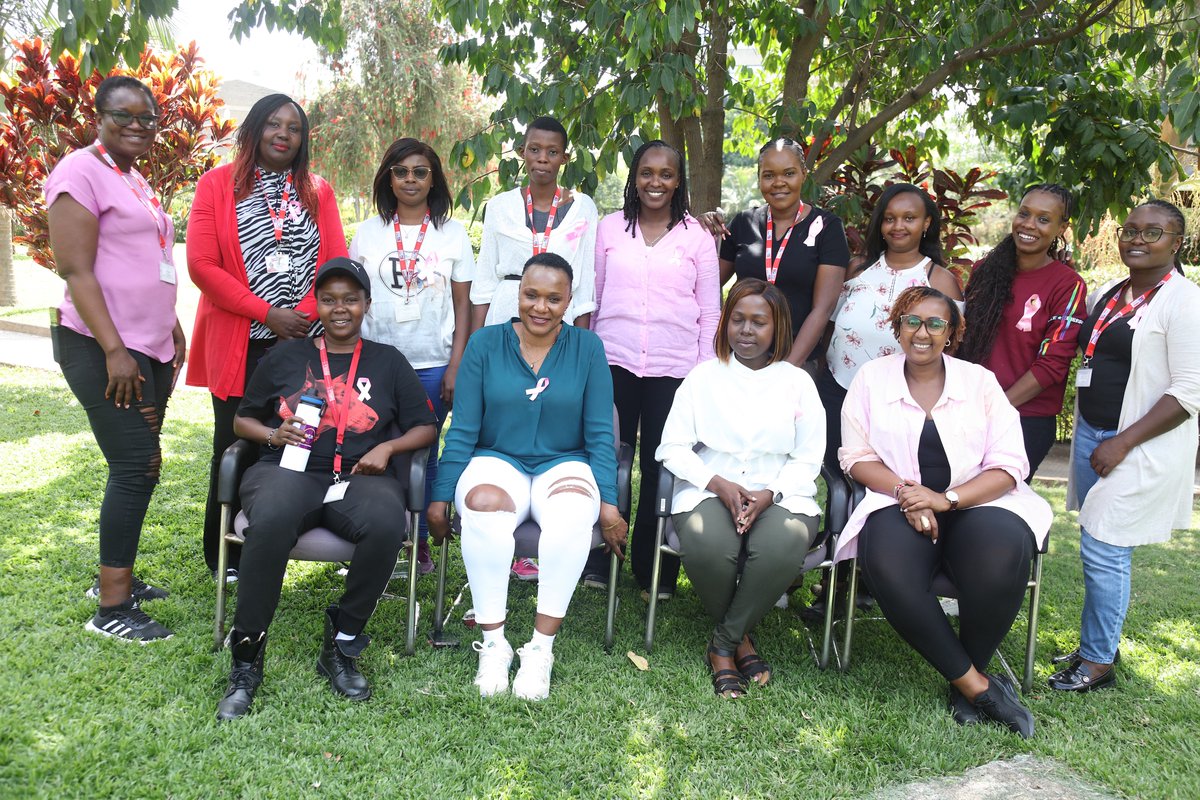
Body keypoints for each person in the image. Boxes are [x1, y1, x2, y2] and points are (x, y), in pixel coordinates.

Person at [215, 258, 437, 721]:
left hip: (360, 477)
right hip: (287, 470)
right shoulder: (285, 356)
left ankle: (342, 642)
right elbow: (243, 418)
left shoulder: (388, 361)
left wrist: (389, 448)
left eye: (351, 299)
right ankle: (246, 659)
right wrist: (273, 435)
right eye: (330, 299)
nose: (340, 309)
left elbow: (426, 427)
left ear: (366, 305)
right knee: (271, 520)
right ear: (316, 304)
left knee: (383, 524)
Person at [835, 286, 1052, 739]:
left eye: (936, 323)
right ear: (897, 326)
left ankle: (963, 683)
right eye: (912, 320)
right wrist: (908, 494)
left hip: (978, 500)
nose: (923, 332)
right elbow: (855, 456)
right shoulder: (872, 379)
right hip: (897, 501)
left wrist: (945, 500)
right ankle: (977, 686)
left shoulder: (980, 382)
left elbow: (1010, 464)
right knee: (889, 566)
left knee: (1002, 551)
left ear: (952, 333)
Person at [428, 253, 627, 701]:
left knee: (577, 511)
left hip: (564, 462)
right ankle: (494, 644)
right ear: (517, 294)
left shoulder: (587, 348)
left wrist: (609, 504)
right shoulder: (484, 344)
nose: (541, 307)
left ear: (569, 301)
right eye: (531, 295)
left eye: (554, 298)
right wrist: (440, 497)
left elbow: (599, 433)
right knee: (481, 504)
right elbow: (462, 430)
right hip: (497, 458)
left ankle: (540, 649)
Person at [47, 76, 186, 641]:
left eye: (147, 118)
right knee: (136, 464)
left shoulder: (132, 178)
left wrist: (169, 321)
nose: (137, 125)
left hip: (146, 345)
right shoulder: (79, 172)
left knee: (140, 463)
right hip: (102, 347)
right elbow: (76, 270)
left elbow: (144, 258)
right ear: (98, 114)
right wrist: (113, 350)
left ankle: (118, 577)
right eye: (124, 115)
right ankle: (112, 610)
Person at [187, 93, 348, 582]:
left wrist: (296, 320)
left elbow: (334, 262)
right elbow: (202, 265)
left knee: (299, 442)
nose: (284, 134)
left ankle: (278, 535)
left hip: (301, 343)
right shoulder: (217, 185)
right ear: (254, 129)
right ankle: (225, 556)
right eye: (274, 124)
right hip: (240, 339)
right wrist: (265, 314)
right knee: (234, 443)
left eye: (294, 128)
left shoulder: (316, 190)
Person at [1049, 200, 1200, 693]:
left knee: (1104, 545)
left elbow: (1188, 392)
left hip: (1137, 443)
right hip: (1095, 432)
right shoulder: (1112, 293)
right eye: (1129, 230)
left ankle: (1097, 662)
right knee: (1100, 541)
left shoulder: (1184, 302)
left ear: (1176, 242)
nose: (1136, 239)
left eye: (1152, 233)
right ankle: (1098, 645)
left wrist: (1122, 445)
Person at [657, 279, 823, 698]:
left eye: (759, 322)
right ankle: (742, 643)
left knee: (782, 545)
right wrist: (719, 485)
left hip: (782, 490)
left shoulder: (798, 383)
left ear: (777, 328)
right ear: (725, 323)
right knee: (707, 542)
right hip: (709, 486)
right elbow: (671, 447)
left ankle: (725, 644)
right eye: (738, 320)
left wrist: (771, 494)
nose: (746, 330)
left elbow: (808, 457)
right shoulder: (703, 378)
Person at [580, 140, 720, 598]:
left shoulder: (695, 237)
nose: (655, 182)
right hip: (612, 363)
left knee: (662, 465)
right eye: (646, 172)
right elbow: (592, 297)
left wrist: (701, 375)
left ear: (678, 181)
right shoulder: (609, 230)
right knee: (607, 458)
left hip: (674, 369)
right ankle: (600, 559)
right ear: (634, 178)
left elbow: (710, 311)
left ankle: (652, 567)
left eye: (665, 174)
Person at [470, 115, 600, 582]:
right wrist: (471, 348)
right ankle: (496, 533)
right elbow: (484, 281)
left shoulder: (584, 208)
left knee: (545, 411)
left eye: (552, 151)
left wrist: (580, 345)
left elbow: (582, 284)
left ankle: (537, 541)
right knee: (500, 414)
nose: (542, 159)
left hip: (556, 319)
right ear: (521, 154)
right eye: (534, 150)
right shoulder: (501, 205)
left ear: (565, 157)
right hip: (509, 307)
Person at [350, 138, 474, 574]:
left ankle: (419, 542)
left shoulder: (453, 233)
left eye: (420, 172)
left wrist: (457, 364)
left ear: (434, 178)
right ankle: (378, 535)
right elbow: (355, 299)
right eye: (401, 171)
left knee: (423, 453)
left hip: (433, 364)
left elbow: (463, 306)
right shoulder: (368, 232)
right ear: (388, 177)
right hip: (375, 363)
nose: (410, 179)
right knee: (372, 445)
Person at [957, 184, 1086, 477]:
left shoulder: (1068, 284)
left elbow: (1052, 364)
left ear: (1061, 227)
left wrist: (994, 410)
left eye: (1043, 219)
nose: (1029, 225)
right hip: (968, 412)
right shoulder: (984, 270)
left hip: (1024, 419)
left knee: (998, 508)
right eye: (1024, 214)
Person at [706, 138, 852, 371]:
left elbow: (822, 309)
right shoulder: (744, 222)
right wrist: (699, 233)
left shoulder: (827, 227)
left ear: (804, 174)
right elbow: (707, 287)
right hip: (741, 360)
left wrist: (786, 371)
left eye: (789, 173)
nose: (779, 183)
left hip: (797, 363)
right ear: (759, 178)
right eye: (769, 175)